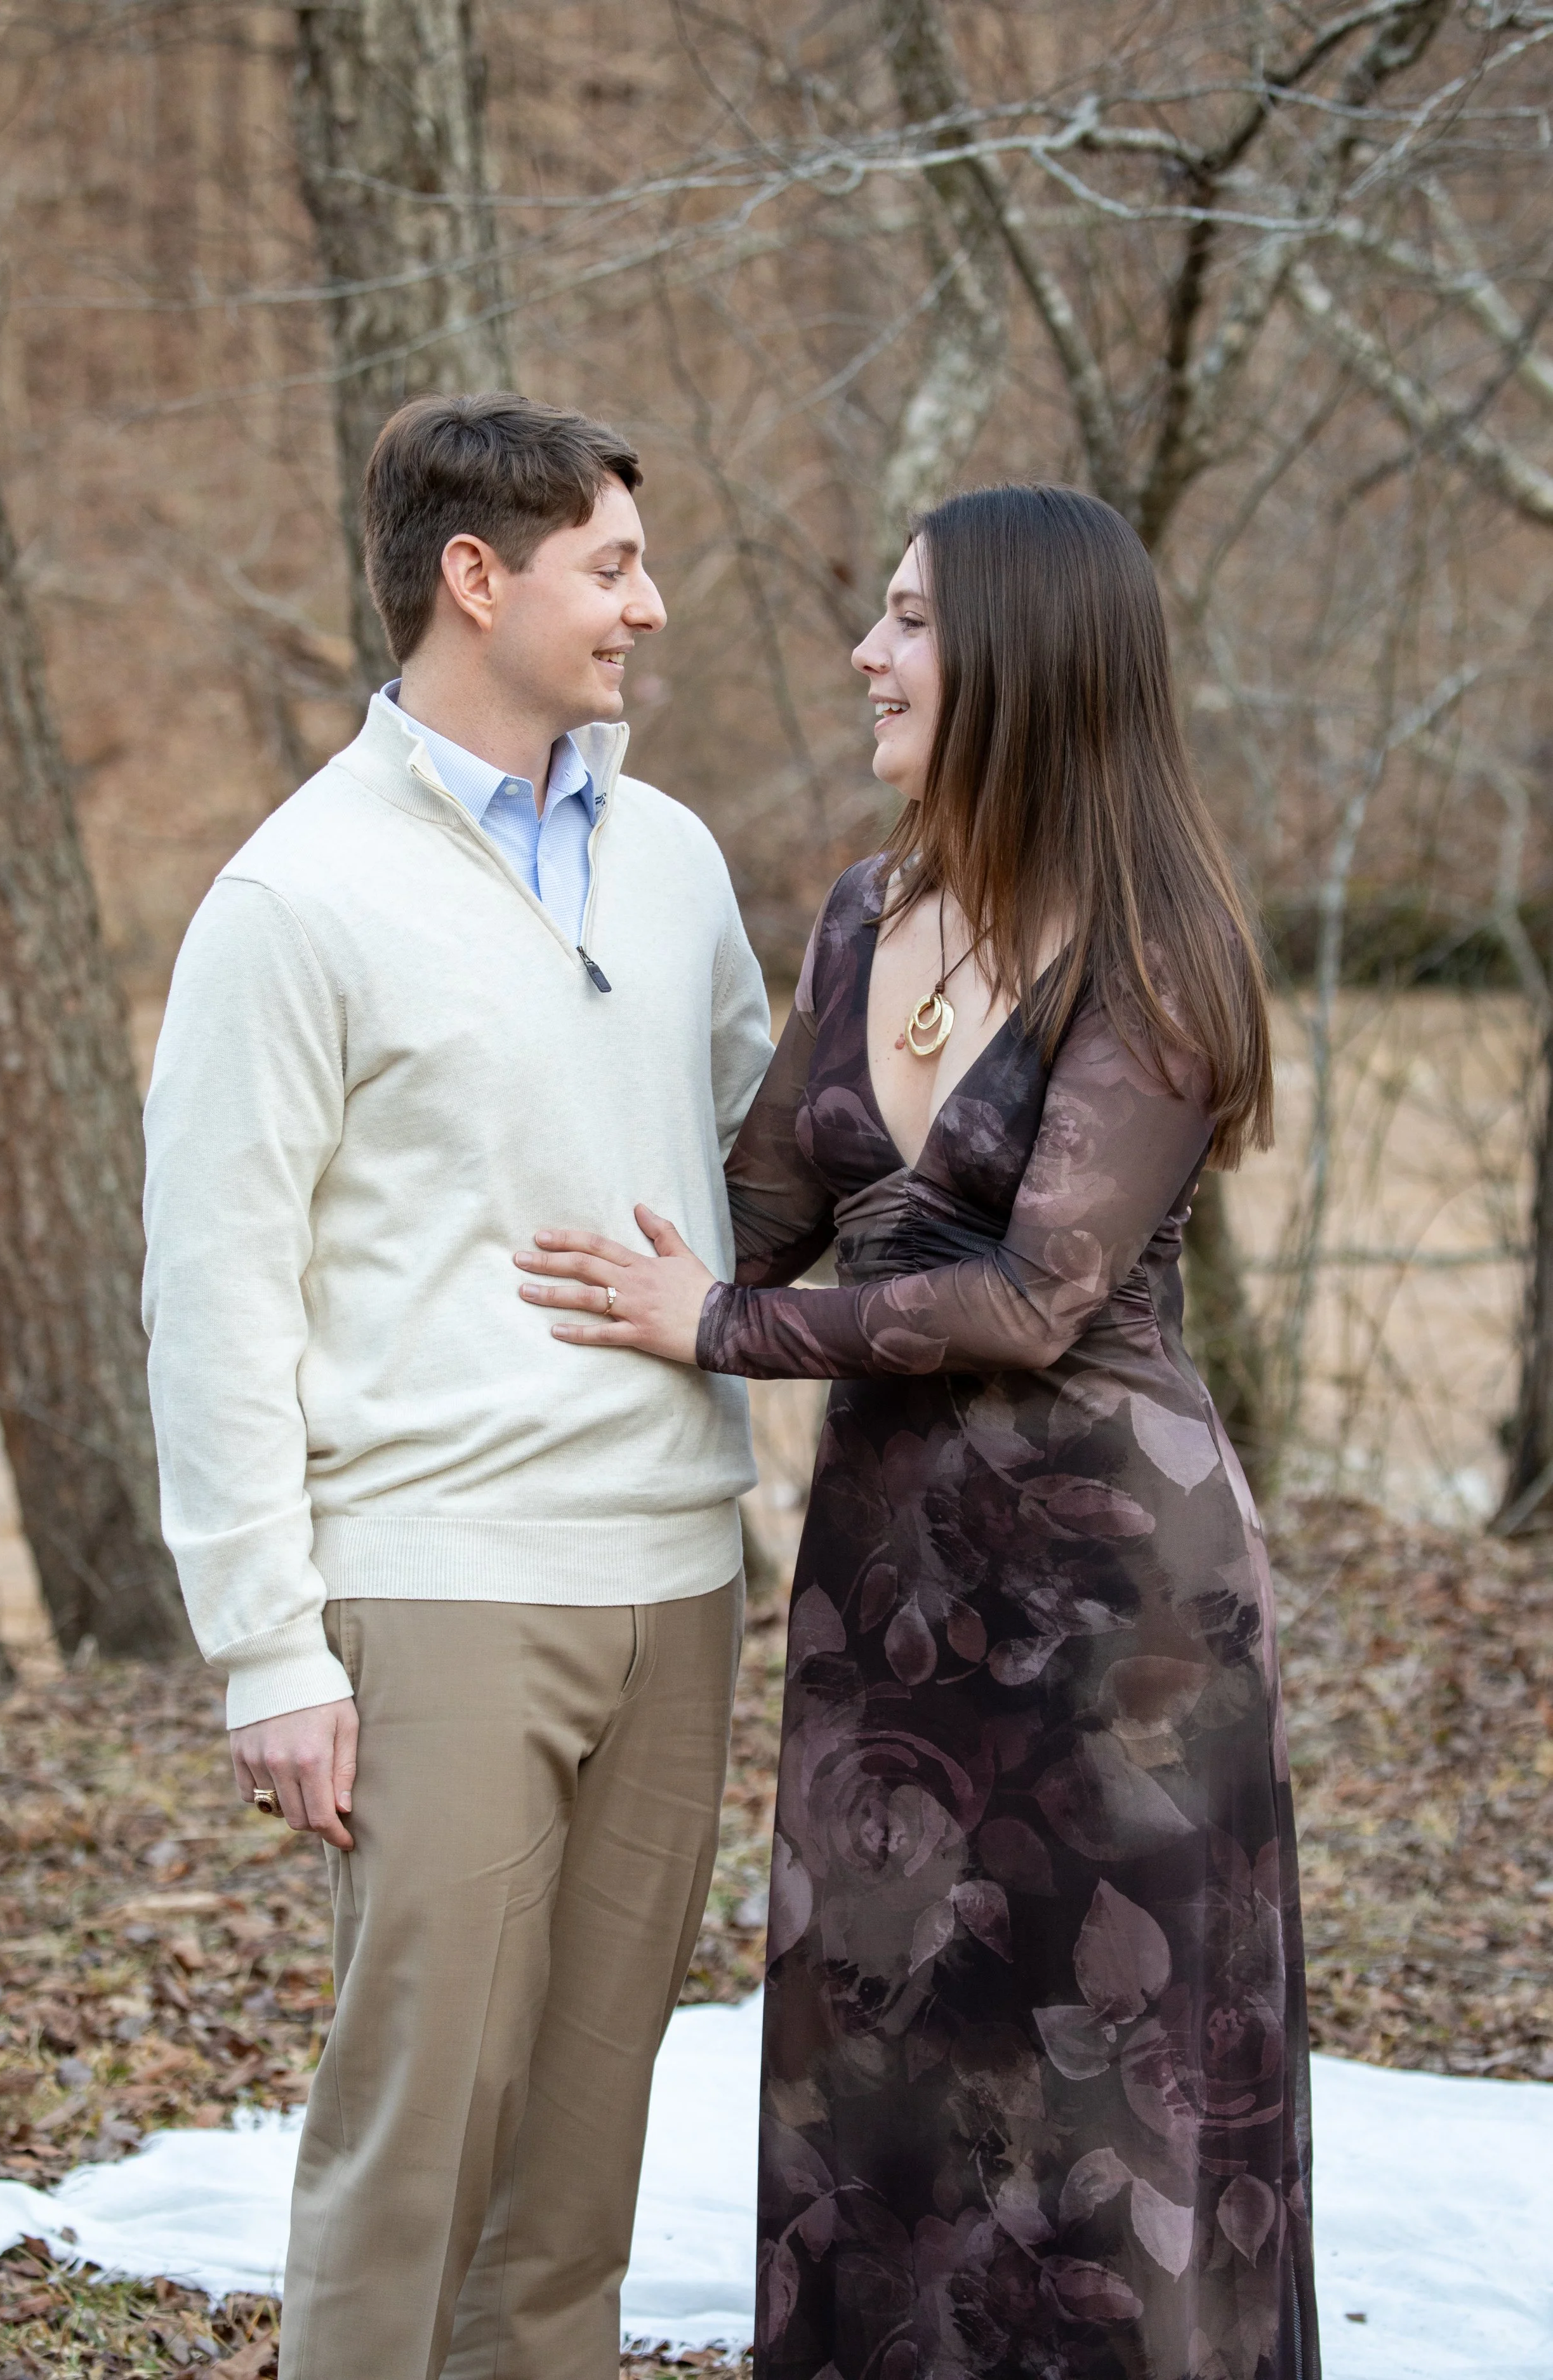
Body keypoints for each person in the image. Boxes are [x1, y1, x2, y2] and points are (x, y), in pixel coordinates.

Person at [517, 484, 1321, 2380]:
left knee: (1107, 2100)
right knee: (877, 2064)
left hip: (1117, 1613)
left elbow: (1035, 1292)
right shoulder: (868, 909)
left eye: (905, 623)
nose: (865, 656)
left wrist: (719, 1327)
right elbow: (759, 1206)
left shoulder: (1161, 939)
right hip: (885, 1591)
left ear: (1024, 664)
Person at [140, 392, 774, 2380]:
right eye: (610, 565)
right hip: (442, 1591)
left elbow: (762, 1142)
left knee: (580, 2177)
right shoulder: (294, 898)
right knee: (416, 2146)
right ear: (473, 578)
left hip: (677, 1578)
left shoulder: (670, 859)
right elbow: (216, 1289)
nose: (647, 609)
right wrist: (268, 1645)